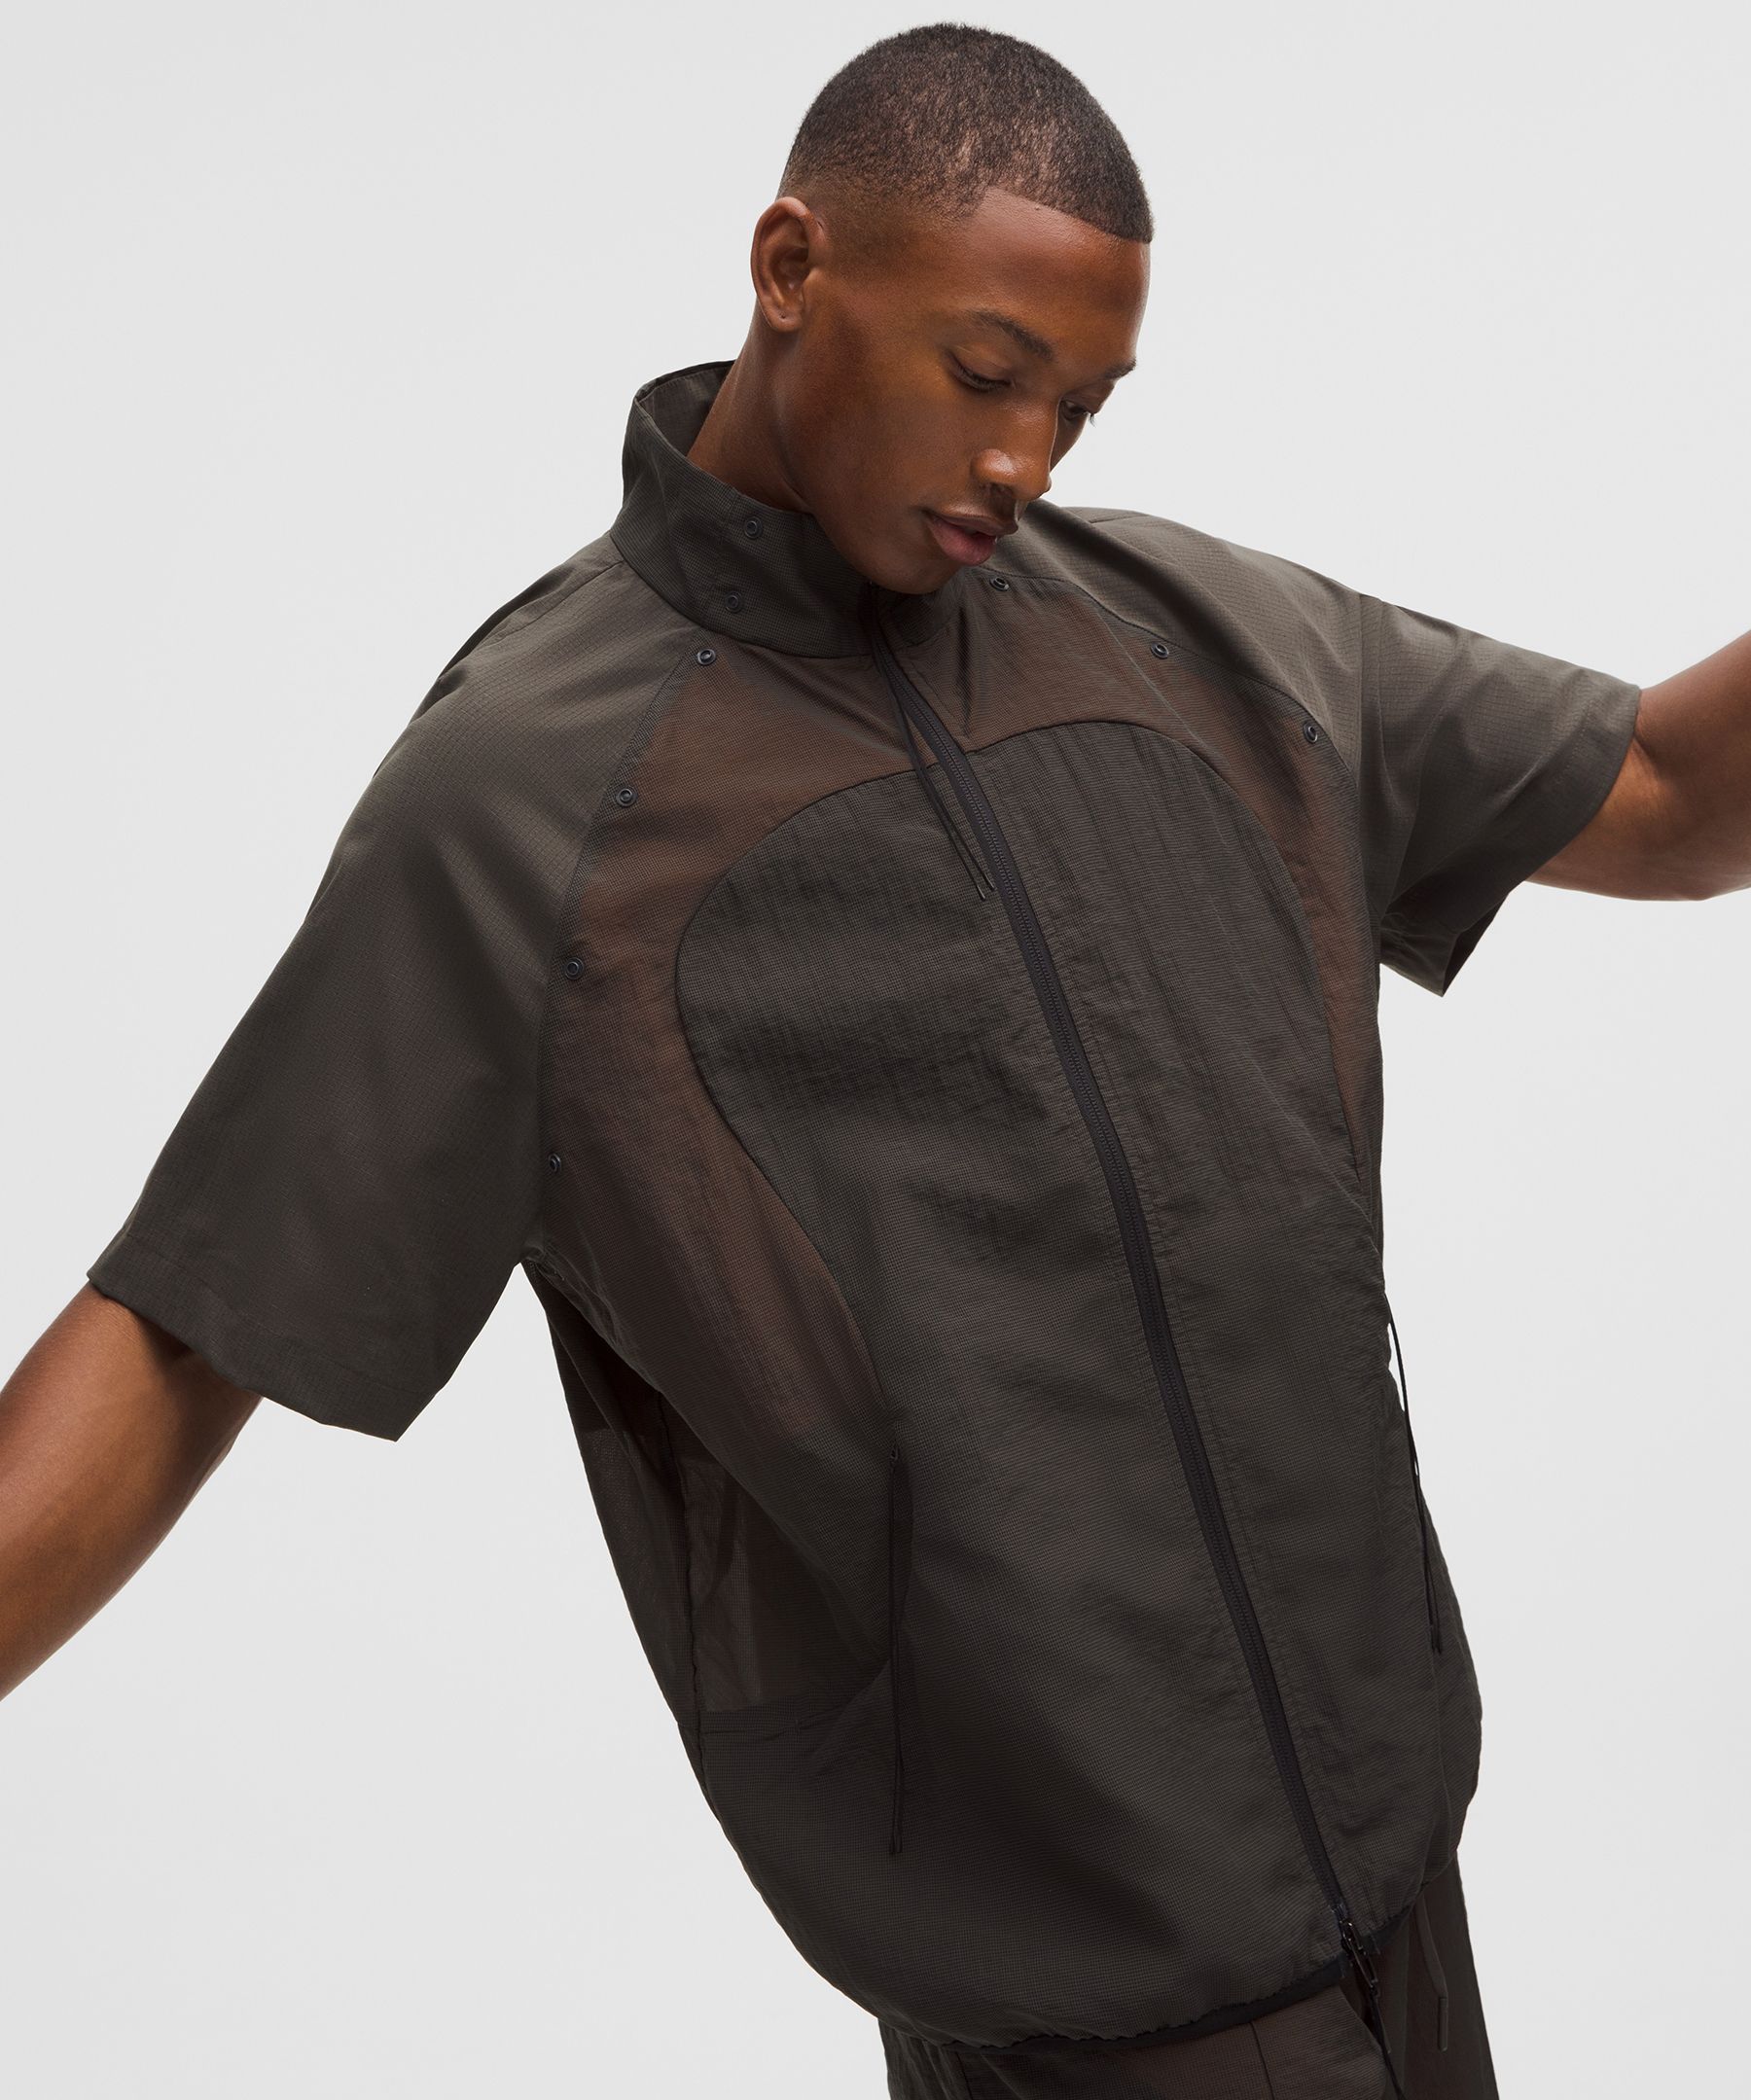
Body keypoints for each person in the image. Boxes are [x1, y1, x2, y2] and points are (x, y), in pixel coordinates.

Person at [3, 23, 1743, 2098]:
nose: (1027, 460)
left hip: (1401, 1873)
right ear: (790, 266)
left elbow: (1662, 790)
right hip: (1064, 1987)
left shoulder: (1202, 643)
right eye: (985, 371)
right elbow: (194, 1317)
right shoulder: (533, 794)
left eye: (1079, 406)